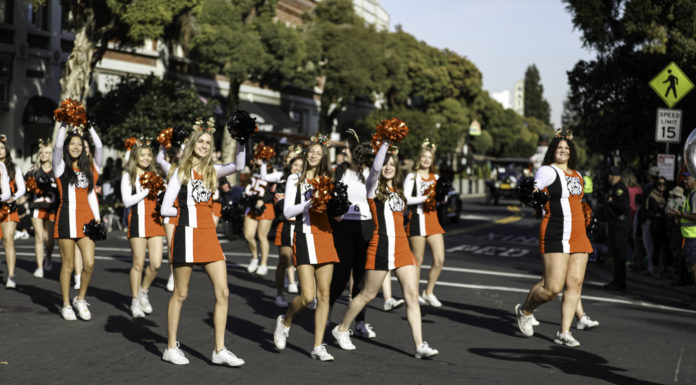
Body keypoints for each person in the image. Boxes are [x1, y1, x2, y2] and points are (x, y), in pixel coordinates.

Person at [330, 140, 439, 359]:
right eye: (386, 164)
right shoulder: (372, 186)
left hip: (401, 248)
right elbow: (377, 168)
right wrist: (386, 142)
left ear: (397, 168)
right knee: (367, 294)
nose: (388, 167)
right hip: (380, 246)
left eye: (393, 164)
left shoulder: (398, 190)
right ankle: (341, 328)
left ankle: (419, 345)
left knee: (412, 296)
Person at [160, 120, 246, 366]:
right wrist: (185, 214)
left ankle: (219, 350)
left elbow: (240, 164)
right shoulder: (181, 171)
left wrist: (241, 139)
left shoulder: (213, 171)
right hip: (186, 234)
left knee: (223, 292)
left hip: (209, 236)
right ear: (192, 143)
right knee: (180, 293)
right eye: (201, 141)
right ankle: (170, 347)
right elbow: (165, 207)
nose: (205, 146)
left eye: (209, 143)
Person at [514, 133, 593, 347]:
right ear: (553, 150)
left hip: (578, 233)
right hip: (555, 231)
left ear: (572, 151)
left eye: (567, 147)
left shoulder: (577, 174)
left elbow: (578, 202)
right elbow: (536, 187)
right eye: (559, 147)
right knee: (552, 287)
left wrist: (588, 214)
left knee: (575, 284)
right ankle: (525, 310)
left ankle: (564, 332)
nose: (564, 150)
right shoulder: (548, 170)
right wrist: (534, 192)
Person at [273, 133, 340, 361]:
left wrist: (338, 207)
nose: (313, 155)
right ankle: (285, 321)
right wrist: (310, 201)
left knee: (324, 294)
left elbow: (337, 215)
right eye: (311, 151)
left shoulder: (329, 181)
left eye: (318, 153)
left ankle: (318, 346)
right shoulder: (295, 179)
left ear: (324, 157)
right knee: (307, 296)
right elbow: (287, 211)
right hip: (303, 236)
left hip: (325, 236)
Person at [329, 134, 376, 339]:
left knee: (360, 280)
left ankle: (360, 323)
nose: (343, 153)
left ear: (356, 152)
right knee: (339, 278)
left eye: (346, 149)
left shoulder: (370, 173)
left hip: (365, 228)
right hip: (343, 228)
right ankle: (325, 315)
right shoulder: (339, 172)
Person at [53, 125, 101, 320]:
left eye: (79, 144)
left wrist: (89, 127)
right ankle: (65, 304)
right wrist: (64, 123)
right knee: (68, 265)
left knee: (89, 264)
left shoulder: (89, 167)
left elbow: (99, 146)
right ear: (67, 147)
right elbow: (57, 146)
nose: (76, 147)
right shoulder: (60, 166)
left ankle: (80, 299)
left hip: (86, 219)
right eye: (72, 144)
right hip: (65, 218)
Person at [121, 141, 165, 318]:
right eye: (142, 155)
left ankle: (144, 291)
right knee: (138, 263)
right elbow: (126, 201)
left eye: (149, 155)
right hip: (137, 221)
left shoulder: (155, 174)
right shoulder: (128, 176)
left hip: (155, 221)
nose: (146, 158)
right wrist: (147, 191)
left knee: (156, 264)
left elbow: (164, 195)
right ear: (135, 157)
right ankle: (134, 300)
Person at [405, 140, 445, 307]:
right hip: (417, 220)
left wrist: (442, 197)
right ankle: (414, 294)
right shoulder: (412, 176)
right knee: (418, 260)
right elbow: (406, 198)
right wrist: (424, 198)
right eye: (424, 157)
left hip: (433, 220)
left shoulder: (436, 177)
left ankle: (428, 292)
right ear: (419, 159)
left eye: (430, 157)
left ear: (433, 161)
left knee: (439, 259)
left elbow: (442, 197)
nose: (427, 160)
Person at [72, 127, 103, 291]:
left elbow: (99, 146)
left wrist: (90, 127)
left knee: (87, 249)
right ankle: (77, 275)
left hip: (89, 210)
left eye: (85, 147)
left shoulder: (94, 165)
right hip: (72, 210)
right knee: (76, 246)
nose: (82, 150)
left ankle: (82, 274)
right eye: (79, 147)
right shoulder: (72, 165)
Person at [272, 154, 303, 307]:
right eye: (295, 165)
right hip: (286, 226)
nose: (298, 168)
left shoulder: (309, 184)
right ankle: (279, 294)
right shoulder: (282, 184)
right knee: (283, 261)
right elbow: (282, 207)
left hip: (303, 227)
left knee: (305, 263)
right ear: (290, 167)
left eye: (301, 166)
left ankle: (308, 296)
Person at [243, 155, 281, 276]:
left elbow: (273, 190)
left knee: (262, 236)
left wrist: (264, 200)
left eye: (260, 156)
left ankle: (264, 264)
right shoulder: (253, 169)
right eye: (257, 156)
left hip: (266, 206)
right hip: (252, 205)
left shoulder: (273, 172)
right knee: (248, 235)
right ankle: (255, 258)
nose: (257, 158)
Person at [28, 139, 58, 278]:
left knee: (49, 239)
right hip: (36, 207)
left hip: (51, 208)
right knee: (39, 237)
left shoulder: (57, 173)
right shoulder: (33, 172)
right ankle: (39, 267)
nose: (44, 154)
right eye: (41, 152)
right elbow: (26, 190)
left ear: (52, 154)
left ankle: (49, 256)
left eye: (47, 152)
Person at [0, 135, 25, 288]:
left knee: (8, 239)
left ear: (6, 150)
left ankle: (11, 276)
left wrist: (13, 197)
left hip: (8, 208)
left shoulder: (13, 167)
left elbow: (22, 188)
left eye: (2, 148)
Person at [668, 172, 696, 308]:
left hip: (693, 237)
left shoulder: (695, 195)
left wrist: (682, 214)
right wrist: (679, 219)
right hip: (689, 236)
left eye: (688, 179)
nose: (685, 181)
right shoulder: (691, 194)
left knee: (694, 267)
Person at [604, 166, 630, 292]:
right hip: (615, 224)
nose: (611, 177)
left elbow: (624, 207)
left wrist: (611, 202)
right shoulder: (613, 188)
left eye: (613, 175)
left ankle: (620, 282)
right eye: (610, 175)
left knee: (620, 254)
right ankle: (616, 280)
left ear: (619, 176)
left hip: (620, 224)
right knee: (615, 254)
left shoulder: (620, 189)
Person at [645, 177, 669, 278]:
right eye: (659, 184)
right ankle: (654, 269)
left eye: (664, 184)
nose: (662, 186)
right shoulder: (652, 196)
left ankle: (665, 269)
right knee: (656, 247)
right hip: (656, 225)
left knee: (666, 248)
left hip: (665, 225)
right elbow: (655, 210)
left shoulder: (668, 196)